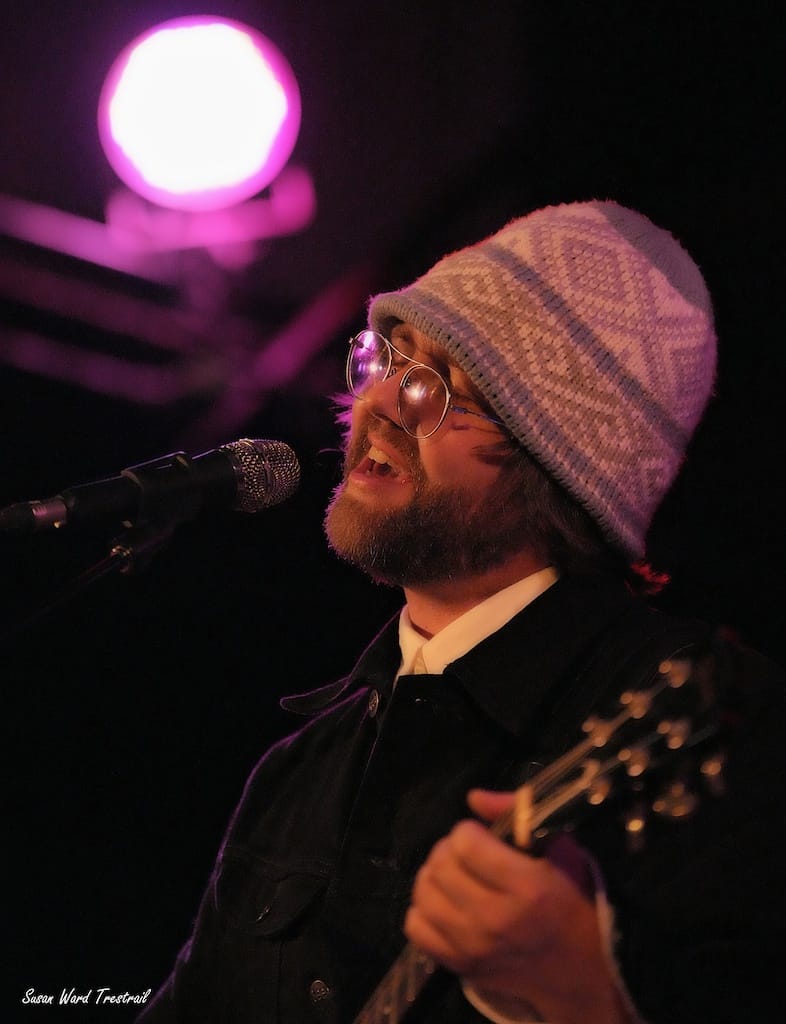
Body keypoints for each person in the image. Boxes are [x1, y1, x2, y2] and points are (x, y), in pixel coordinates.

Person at [137, 201, 785, 1023]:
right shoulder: (300, 770)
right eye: (387, 357)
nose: (381, 400)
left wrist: (587, 997)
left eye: (439, 386)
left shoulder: (706, 714)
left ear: (555, 469)